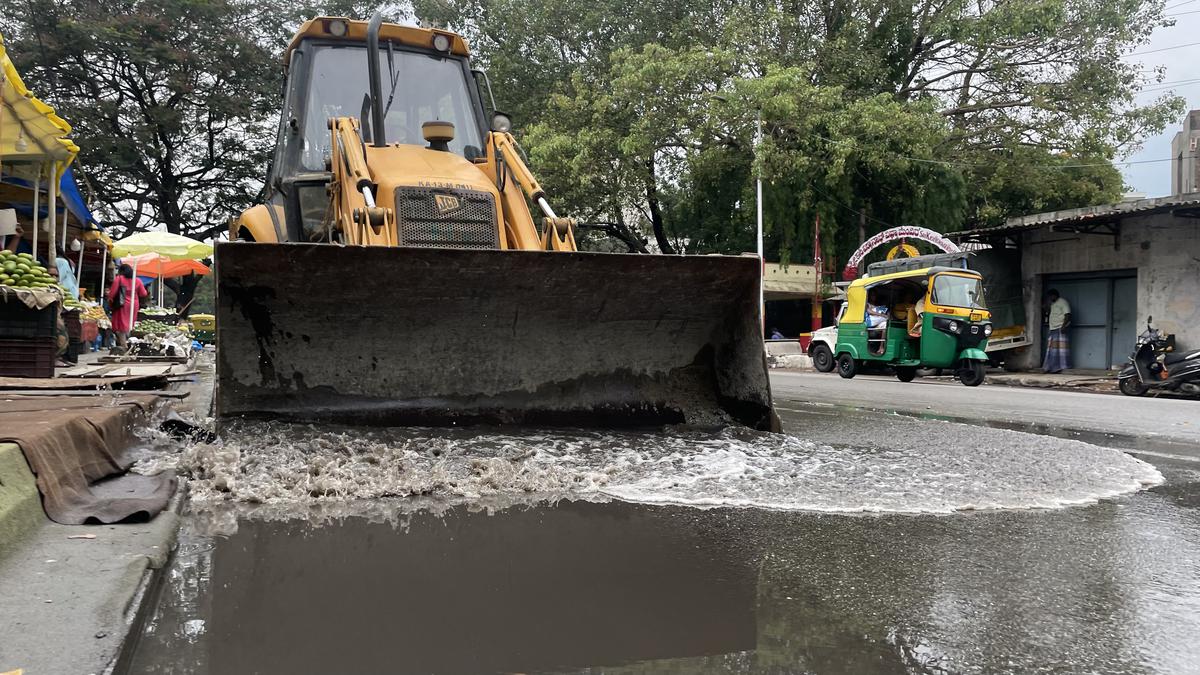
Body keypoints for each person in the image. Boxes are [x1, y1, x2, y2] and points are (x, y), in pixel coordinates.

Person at [107, 263, 149, 351]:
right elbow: (143, 293)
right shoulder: (137, 280)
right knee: (130, 324)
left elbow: (112, 293)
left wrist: (109, 299)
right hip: (134, 304)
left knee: (120, 325)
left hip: (122, 304)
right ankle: (130, 343)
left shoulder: (119, 279)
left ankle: (124, 344)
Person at [1043, 288, 1071, 373]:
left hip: (1060, 327)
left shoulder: (1063, 302)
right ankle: (1052, 367)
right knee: (1053, 349)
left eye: (1051, 296)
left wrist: (1064, 326)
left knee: (1061, 349)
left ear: (1054, 295)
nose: (1050, 298)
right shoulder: (1053, 304)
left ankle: (1063, 366)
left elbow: (1068, 314)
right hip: (1053, 328)